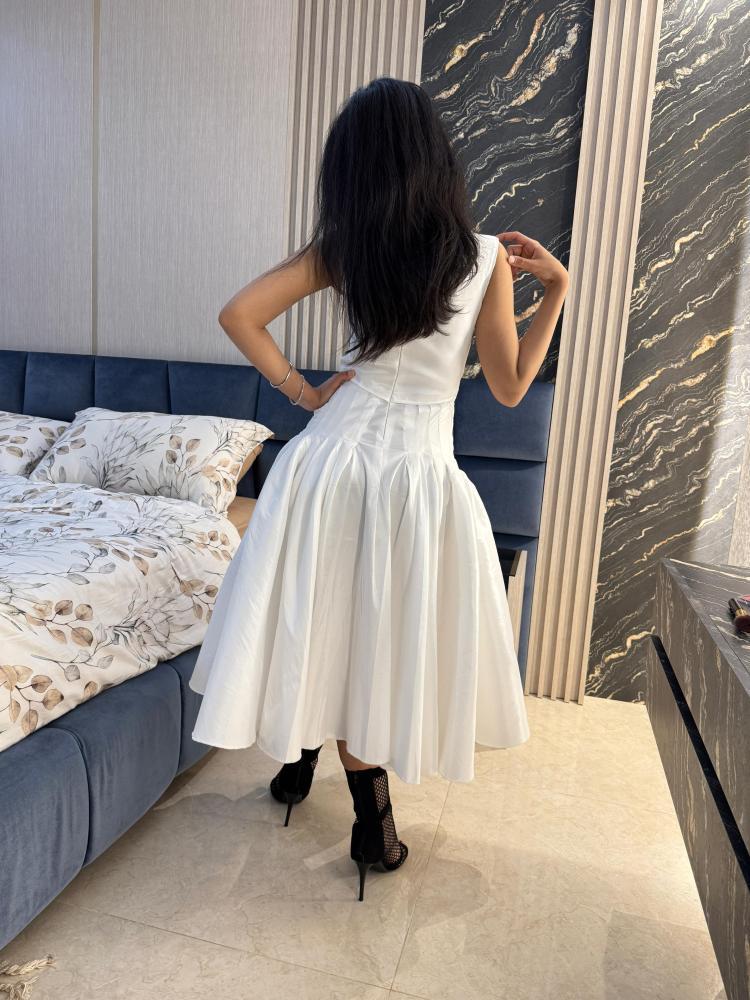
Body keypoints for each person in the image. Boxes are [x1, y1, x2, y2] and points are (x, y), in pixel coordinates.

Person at [189, 76, 568, 902]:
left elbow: (239, 314)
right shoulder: (482, 257)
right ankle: (373, 823)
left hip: (330, 460)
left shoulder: (345, 248)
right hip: (414, 476)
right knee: (372, 634)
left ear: (352, 167)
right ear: (436, 157)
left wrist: (303, 392)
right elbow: (510, 387)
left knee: (317, 612)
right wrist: (557, 293)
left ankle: (298, 767)